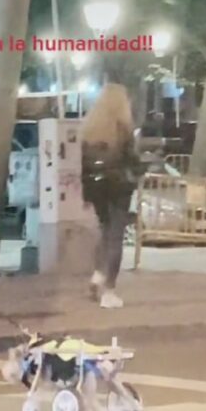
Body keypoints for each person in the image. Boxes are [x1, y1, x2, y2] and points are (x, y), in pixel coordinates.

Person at [82, 83, 137, 309]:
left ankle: (97, 274)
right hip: (118, 186)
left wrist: (86, 192)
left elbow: (83, 163)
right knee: (115, 236)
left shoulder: (90, 129)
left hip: (96, 187)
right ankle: (109, 290)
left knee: (104, 230)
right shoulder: (123, 128)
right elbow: (131, 158)